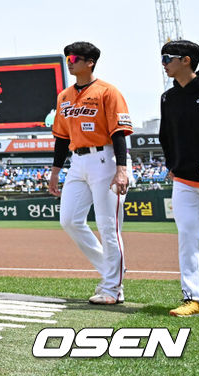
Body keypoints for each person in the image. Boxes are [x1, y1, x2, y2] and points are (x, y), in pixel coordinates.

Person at [48, 41, 132, 305]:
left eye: (73, 57)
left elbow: (119, 132)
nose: (69, 61)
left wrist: (121, 169)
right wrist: (55, 172)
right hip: (78, 161)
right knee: (70, 220)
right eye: (67, 57)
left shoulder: (108, 91)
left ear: (89, 62)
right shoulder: (64, 96)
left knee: (109, 226)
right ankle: (113, 270)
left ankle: (111, 288)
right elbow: (61, 138)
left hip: (106, 159)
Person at [158, 40, 199, 317]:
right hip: (185, 182)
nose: (164, 63)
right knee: (187, 239)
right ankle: (194, 300)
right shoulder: (168, 97)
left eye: (168, 58)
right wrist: (171, 164)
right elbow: (165, 136)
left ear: (186, 60)